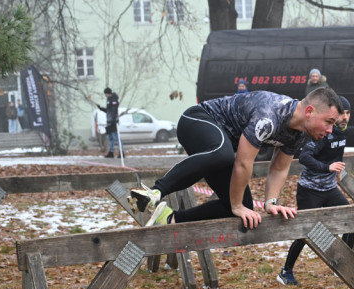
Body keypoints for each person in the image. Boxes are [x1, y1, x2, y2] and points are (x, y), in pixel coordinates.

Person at [128, 87, 343, 230]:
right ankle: (154, 191)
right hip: (197, 120)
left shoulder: (299, 133)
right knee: (223, 157)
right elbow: (243, 162)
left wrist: (270, 203)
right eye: (329, 121)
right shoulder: (270, 116)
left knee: (239, 206)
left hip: (219, 149)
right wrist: (237, 204)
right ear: (309, 111)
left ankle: (169, 218)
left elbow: (278, 169)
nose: (330, 130)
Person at [276, 96, 354, 286]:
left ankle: (343, 265)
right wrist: (327, 168)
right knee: (306, 231)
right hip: (310, 190)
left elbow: (336, 154)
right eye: (342, 114)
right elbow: (304, 157)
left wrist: (337, 171)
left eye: (348, 113)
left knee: (352, 220)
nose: (345, 117)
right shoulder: (323, 133)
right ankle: (286, 272)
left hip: (329, 189)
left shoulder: (343, 132)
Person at [96, 87, 120, 158]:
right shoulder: (109, 100)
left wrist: (113, 121)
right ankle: (111, 153)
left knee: (116, 137)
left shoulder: (114, 100)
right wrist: (101, 109)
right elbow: (108, 110)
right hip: (109, 121)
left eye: (105, 94)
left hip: (113, 122)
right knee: (110, 138)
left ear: (107, 93)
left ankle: (121, 152)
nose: (105, 95)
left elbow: (114, 111)